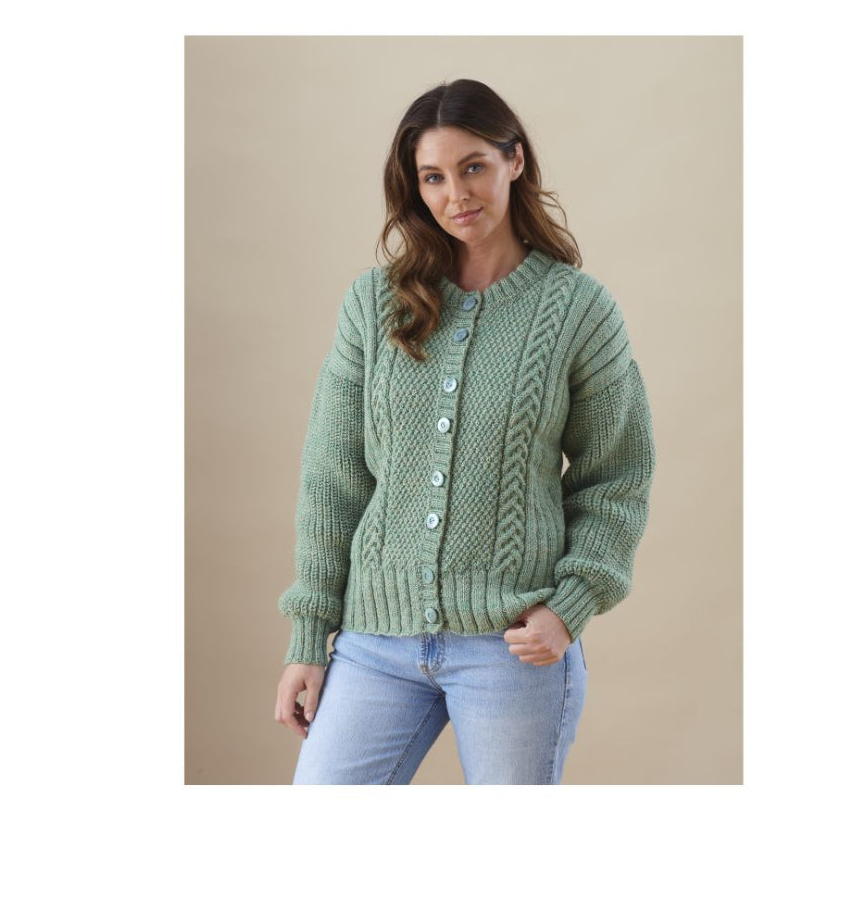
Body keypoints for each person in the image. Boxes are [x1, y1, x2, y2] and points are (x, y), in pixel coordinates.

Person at [273, 77, 656, 784]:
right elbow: (333, 476)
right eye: (433, 177)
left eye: (473, 166)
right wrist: (308, 637)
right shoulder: (374, 304)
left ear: (515, 159)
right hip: (375, 641)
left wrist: (570, 606)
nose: (457, 194)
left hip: (511, 648)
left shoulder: (579, 309)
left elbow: (618, 476)